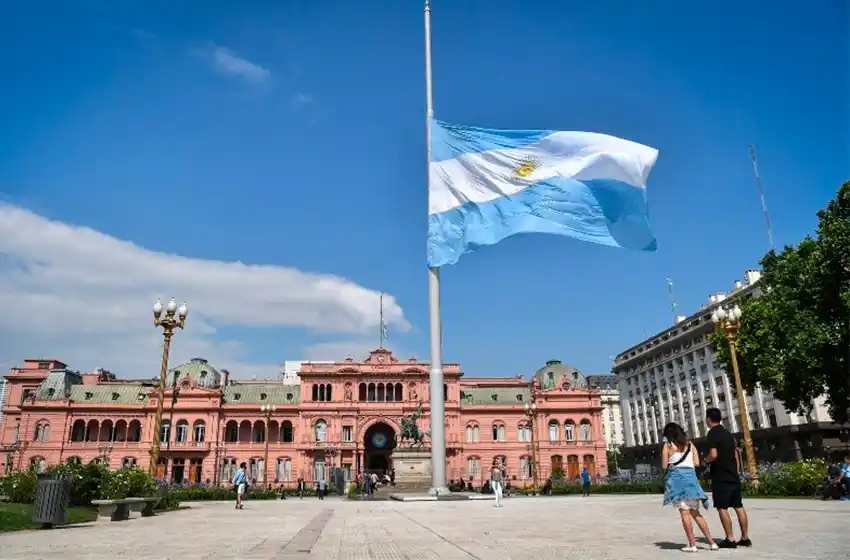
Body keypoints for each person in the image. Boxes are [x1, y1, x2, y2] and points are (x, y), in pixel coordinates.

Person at [662, 422, 718, 553]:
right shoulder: (690, 444)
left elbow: (665, 466)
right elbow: (697, 462)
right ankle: (712, 542)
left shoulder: (668, 446)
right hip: (691, 481)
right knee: (696, 513)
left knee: (684, 513)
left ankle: (692, 544)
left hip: (677, 482)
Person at [704, 408, 751, 548]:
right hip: (733, 475)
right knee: (738, 505)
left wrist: (705, 461)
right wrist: (737, 472)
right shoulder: (728, 434)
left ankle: (730, 539)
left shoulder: (712, 434)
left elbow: (713, 454)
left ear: (708, 420)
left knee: (722, 507)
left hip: (721, 475)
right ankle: (745, 537)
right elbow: (736, 454)